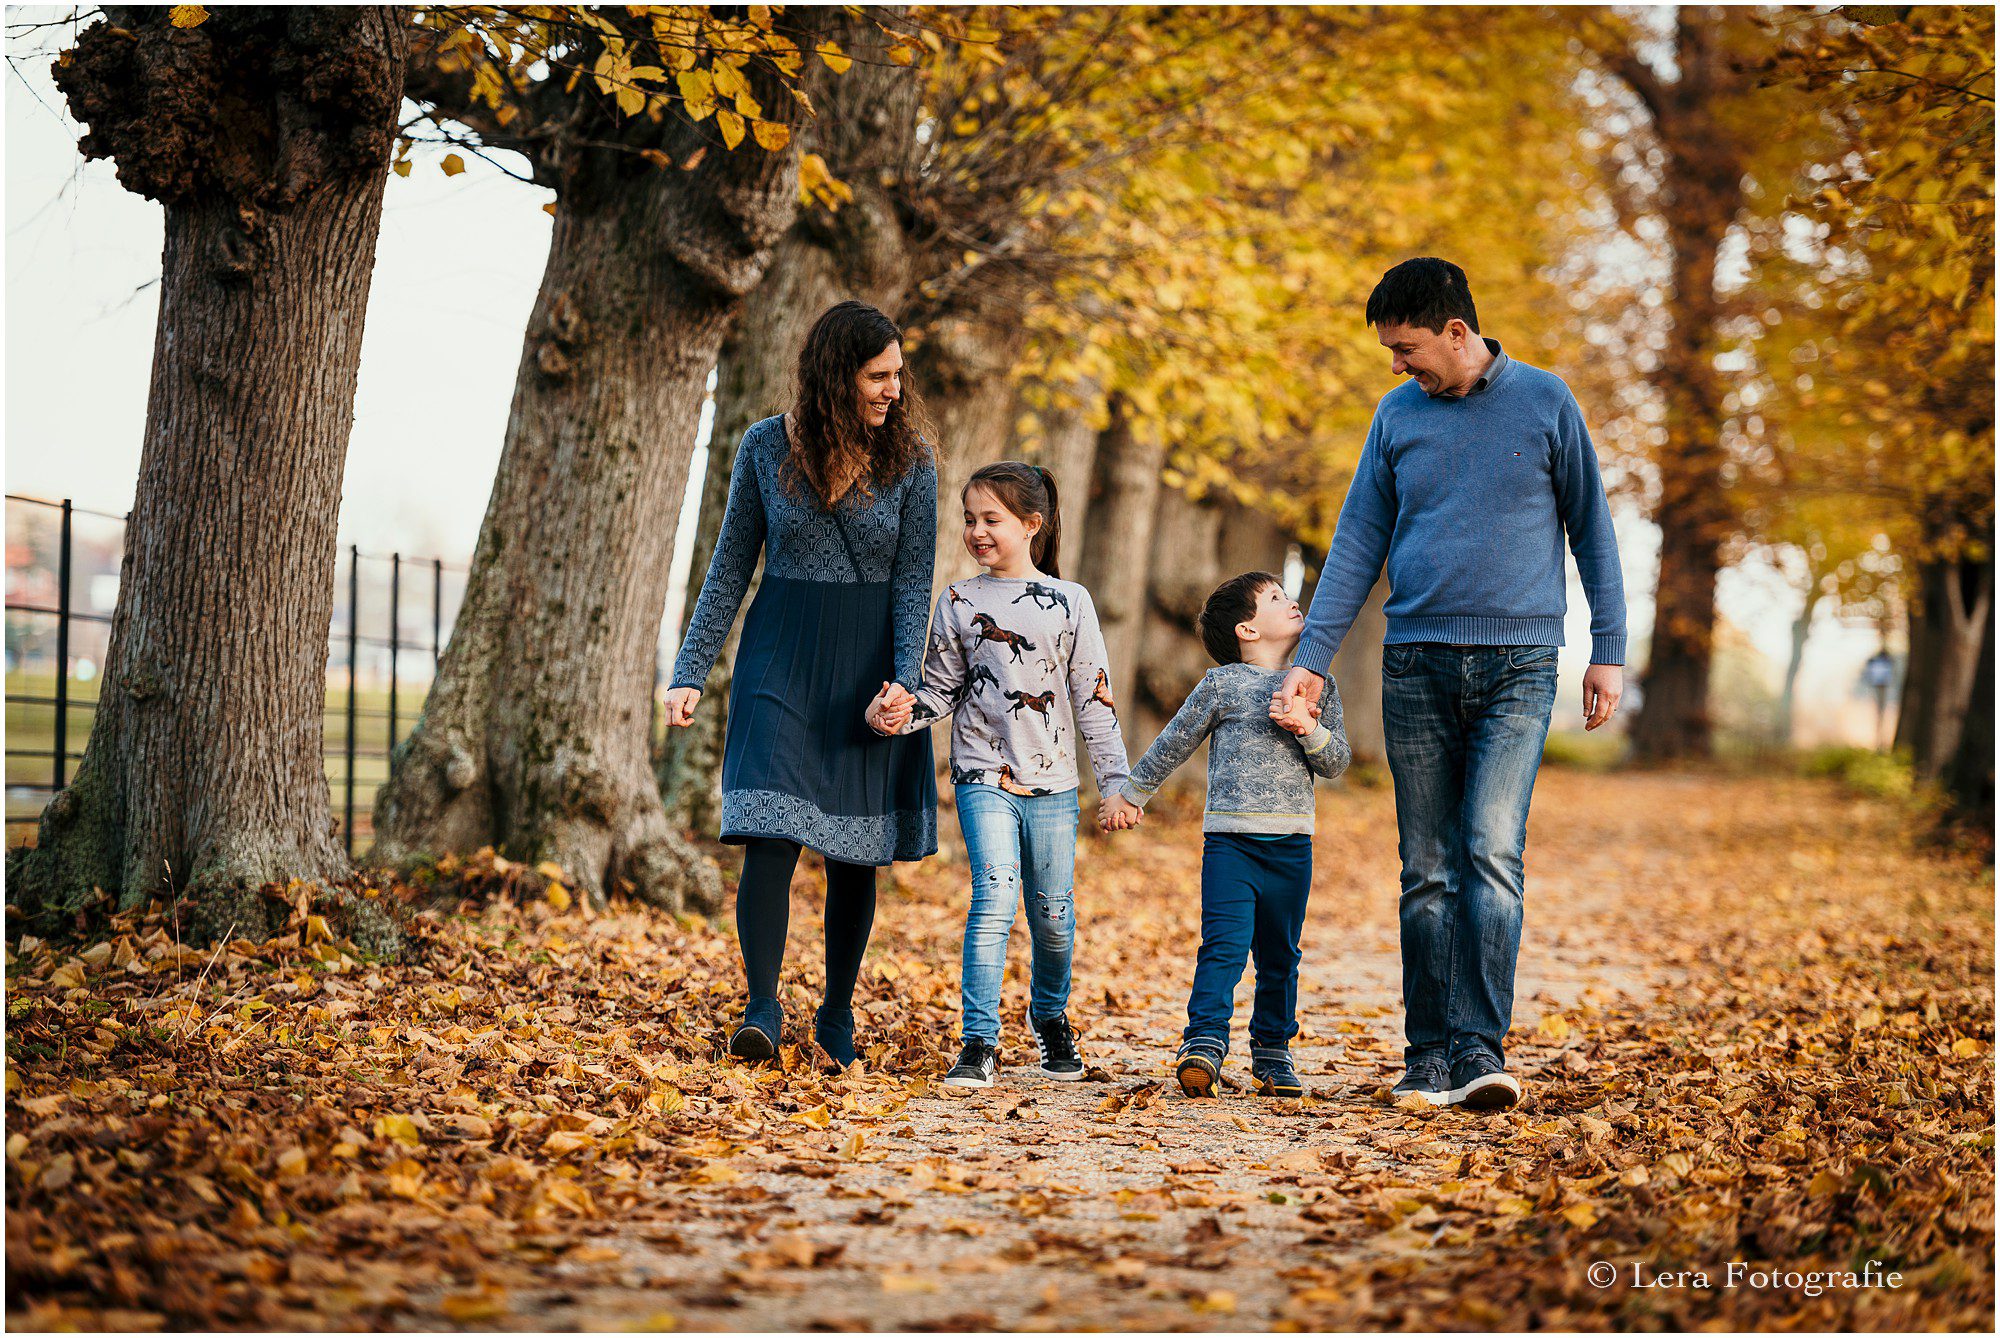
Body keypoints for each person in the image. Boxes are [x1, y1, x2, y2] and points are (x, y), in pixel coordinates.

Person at [1273, 257, 1627, 1111]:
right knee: (1426, 866)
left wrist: (1608, 646)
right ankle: (1428, 1053)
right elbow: (1358, 541)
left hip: (1520, 664)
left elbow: (1594, 529)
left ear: (1457, 332)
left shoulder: (1547, 402)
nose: (1398, 365)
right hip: (1418, 664)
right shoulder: (1396, 417)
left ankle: (1479, 1049)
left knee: (1491, 853)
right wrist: (1310, 661)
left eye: (1407, 347)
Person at [663, 301, 938, 1070]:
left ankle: (838, 1013)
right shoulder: (763, 447)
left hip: (866, 668)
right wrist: (689, 671)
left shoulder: (912, 463)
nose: (892, 389)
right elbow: (728, 568)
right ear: (836, 374)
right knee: (769, 829)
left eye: (897, 376)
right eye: (878, 375)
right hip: (779, 654)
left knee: (855, 850)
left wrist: (904, 683)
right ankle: (760, 1006)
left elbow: (915, 580)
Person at [866, 462, 1130, 1090]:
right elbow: (941, 690)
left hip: (1056, 784)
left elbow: (1094, 697)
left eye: (992, 520)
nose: (977, 532)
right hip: (983, 775)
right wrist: (896, 715)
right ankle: (979, 1041)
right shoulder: (959, 599)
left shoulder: (1071, 603)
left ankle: (1050, 1017)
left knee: (1054, 916)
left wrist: (1116, 783)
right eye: (969, 520)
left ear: (1032, 525)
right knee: (994, 898)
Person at [1102, 572, 1351, 1100]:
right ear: (1247, 629)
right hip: (1230, 842)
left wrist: (1310, 729)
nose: (1293, 601)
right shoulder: (1223, 685)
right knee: (1223, 947)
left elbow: (1337, 763)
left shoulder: (1318, 684)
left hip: (1291, 844)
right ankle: (1204, 1043)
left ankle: (1273, 1052)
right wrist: (1132, 792)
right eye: (1277, 598)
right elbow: (1175, 741)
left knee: (1280, 955)